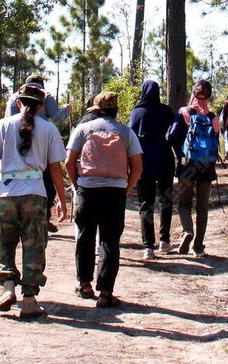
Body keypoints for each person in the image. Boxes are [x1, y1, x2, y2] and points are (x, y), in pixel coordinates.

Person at [0, 83, 71, 319]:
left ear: (19, 103)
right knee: (34, 245)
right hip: (35, 193)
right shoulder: (49, 130)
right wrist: (62, 200)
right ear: (41, 106)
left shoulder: (3, 125)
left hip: (6, 193)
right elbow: (54, 169)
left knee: (3, 241)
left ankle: (8, 287)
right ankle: (29, 299)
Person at [65, 92, 142, 307]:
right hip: (115, 192)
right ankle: (106, 292)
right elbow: (137, 167)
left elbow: (69, 161)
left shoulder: (82, 129)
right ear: (116, 110)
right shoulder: (127, 133)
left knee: (85, 236)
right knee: (109, 241)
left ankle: (84, 284)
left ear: (97, 109)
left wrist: (77, 183)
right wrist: (126, 188)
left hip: (87, 190)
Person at [7, 75, 70, 232]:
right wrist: (66, 110)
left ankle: (21, 221)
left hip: (15, 150)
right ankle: (43, 218)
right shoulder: (45, 96)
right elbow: (57, 117)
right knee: (47, 184)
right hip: (41, 147)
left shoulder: (13, 97)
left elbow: (8, 121)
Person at [166, 79, 221, 256]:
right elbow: (216, 140)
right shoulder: (214, 118)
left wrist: (179, 153)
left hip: (186, 165)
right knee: (202, 208)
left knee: (184, 203)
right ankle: (198, 246)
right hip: (206, 167)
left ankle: (187, 230)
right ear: (208, 96)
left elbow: (171, 137)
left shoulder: (184, 113)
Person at [127, 79, 176, 259]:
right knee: (166, 201)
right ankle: (165, 240)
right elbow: (175, 132)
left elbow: (131, 139)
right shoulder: (166, 111)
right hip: (165, 161)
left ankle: (148, 246)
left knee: (146, 204)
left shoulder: (136, 113)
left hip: (143, 163)